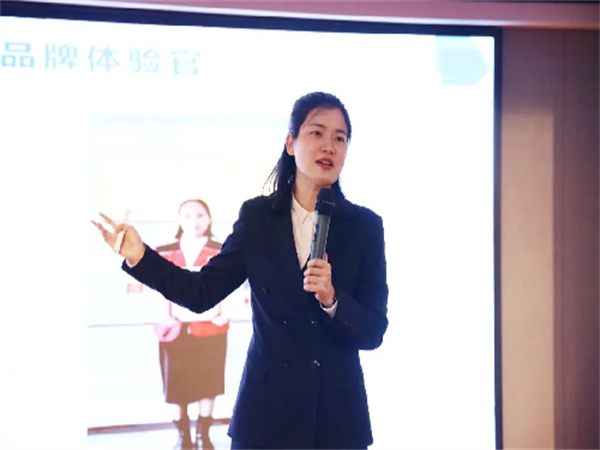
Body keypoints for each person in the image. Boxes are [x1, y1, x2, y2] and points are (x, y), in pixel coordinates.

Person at [92, 92, 389, 450]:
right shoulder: (258, 218)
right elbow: (200, 293)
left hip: (336, 423)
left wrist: (332, 299)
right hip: (266, 420)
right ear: (291, 143)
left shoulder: (365, 227)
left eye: (340, 138)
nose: (329, 146)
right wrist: (141, 256)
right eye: (317, 133)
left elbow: (373, 331)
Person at [153, 199, 228, 450]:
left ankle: (203, 435)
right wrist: (161, 314)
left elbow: (237, 287)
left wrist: (225, 313)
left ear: (209, 219)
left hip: (210, 328)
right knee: (176, 385)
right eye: (187, 215)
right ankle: (183, 436)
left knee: (209, 382)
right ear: (179, 219)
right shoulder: (162, 252)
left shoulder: (223, 251)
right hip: (174, 329)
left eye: (199, 215)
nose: (194, 221)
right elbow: (150, 288)